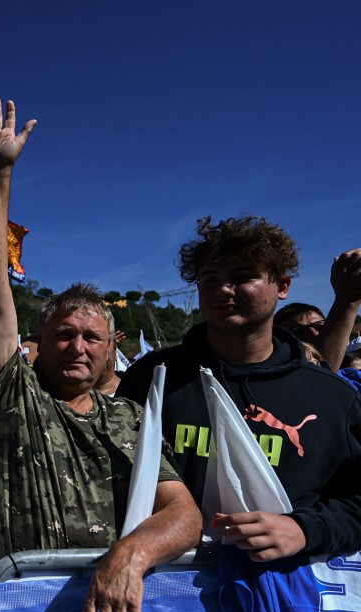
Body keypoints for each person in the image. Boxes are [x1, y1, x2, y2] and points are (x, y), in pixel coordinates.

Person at [0, 96, 201, 612]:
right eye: (63, 335)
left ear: (112, 349)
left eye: (92, 337)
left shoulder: (130, 418)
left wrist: (133, 553)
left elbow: (184, 513)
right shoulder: (13, 395)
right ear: (37, 343)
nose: (77, 346)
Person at [116, 217, 361, 560]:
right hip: (165, 585)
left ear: (282, 286)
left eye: (243, 277)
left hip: (285, 583)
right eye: (210, 279)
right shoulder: (151, 378)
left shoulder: (333, 397)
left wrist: (305, 529)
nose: (224, 290)